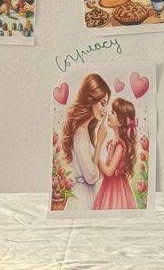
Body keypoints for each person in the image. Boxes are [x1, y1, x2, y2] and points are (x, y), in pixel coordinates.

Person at [60, 72, 110, 210]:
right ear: (91, 99)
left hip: (88, 194)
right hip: (83, 198)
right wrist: (99, 143)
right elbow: (92, 177)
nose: (105, 110)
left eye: (106, 104)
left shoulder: (86, 131)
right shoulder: (81, 134)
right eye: (103, 103)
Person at [91, 98, 140, 210]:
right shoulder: (113, 143)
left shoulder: (120, 146)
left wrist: (95, 154)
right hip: (108, 185)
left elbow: (108, 171)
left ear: (120, 122)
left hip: (115, 190)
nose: (109, 114)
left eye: (112, 112)